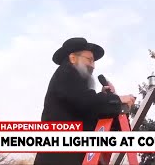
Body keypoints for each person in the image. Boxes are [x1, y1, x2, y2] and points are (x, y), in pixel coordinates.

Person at [34, 37, 136, 165]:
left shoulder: (78, 87)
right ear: (73, 58)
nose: (93, 66)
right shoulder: (66, 73)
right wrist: (117, 99)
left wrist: (110, 100)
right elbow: (86, 101)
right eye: (89, 60)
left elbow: (89, 107)